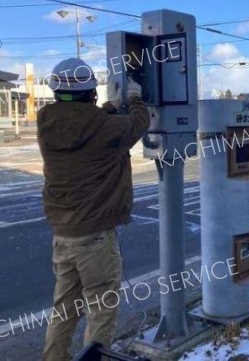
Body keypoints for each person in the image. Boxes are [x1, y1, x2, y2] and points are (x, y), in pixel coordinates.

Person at [38, 58, 150, 361]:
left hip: (62, 233)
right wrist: (134, 97)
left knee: (64, 308)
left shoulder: (45, 121)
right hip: (95, 238)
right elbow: (139, 123)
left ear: (55, 92)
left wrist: (111, 107)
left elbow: (84, 125)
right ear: (91, 94)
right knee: (101, 308)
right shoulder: (105, 127)